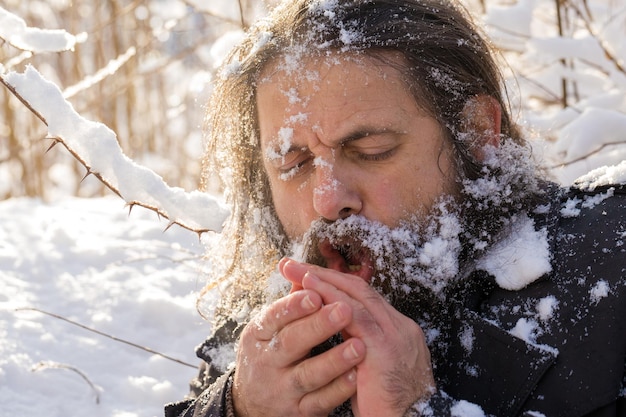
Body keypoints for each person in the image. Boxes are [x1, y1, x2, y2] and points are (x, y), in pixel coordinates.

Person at [165, 0, 626, 416]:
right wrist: (236, 408)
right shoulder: (263, 337)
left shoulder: (610, 266)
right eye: (294, 163)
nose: (326, 200)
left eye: (371, 148)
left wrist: (416, 409)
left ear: (477, 132)